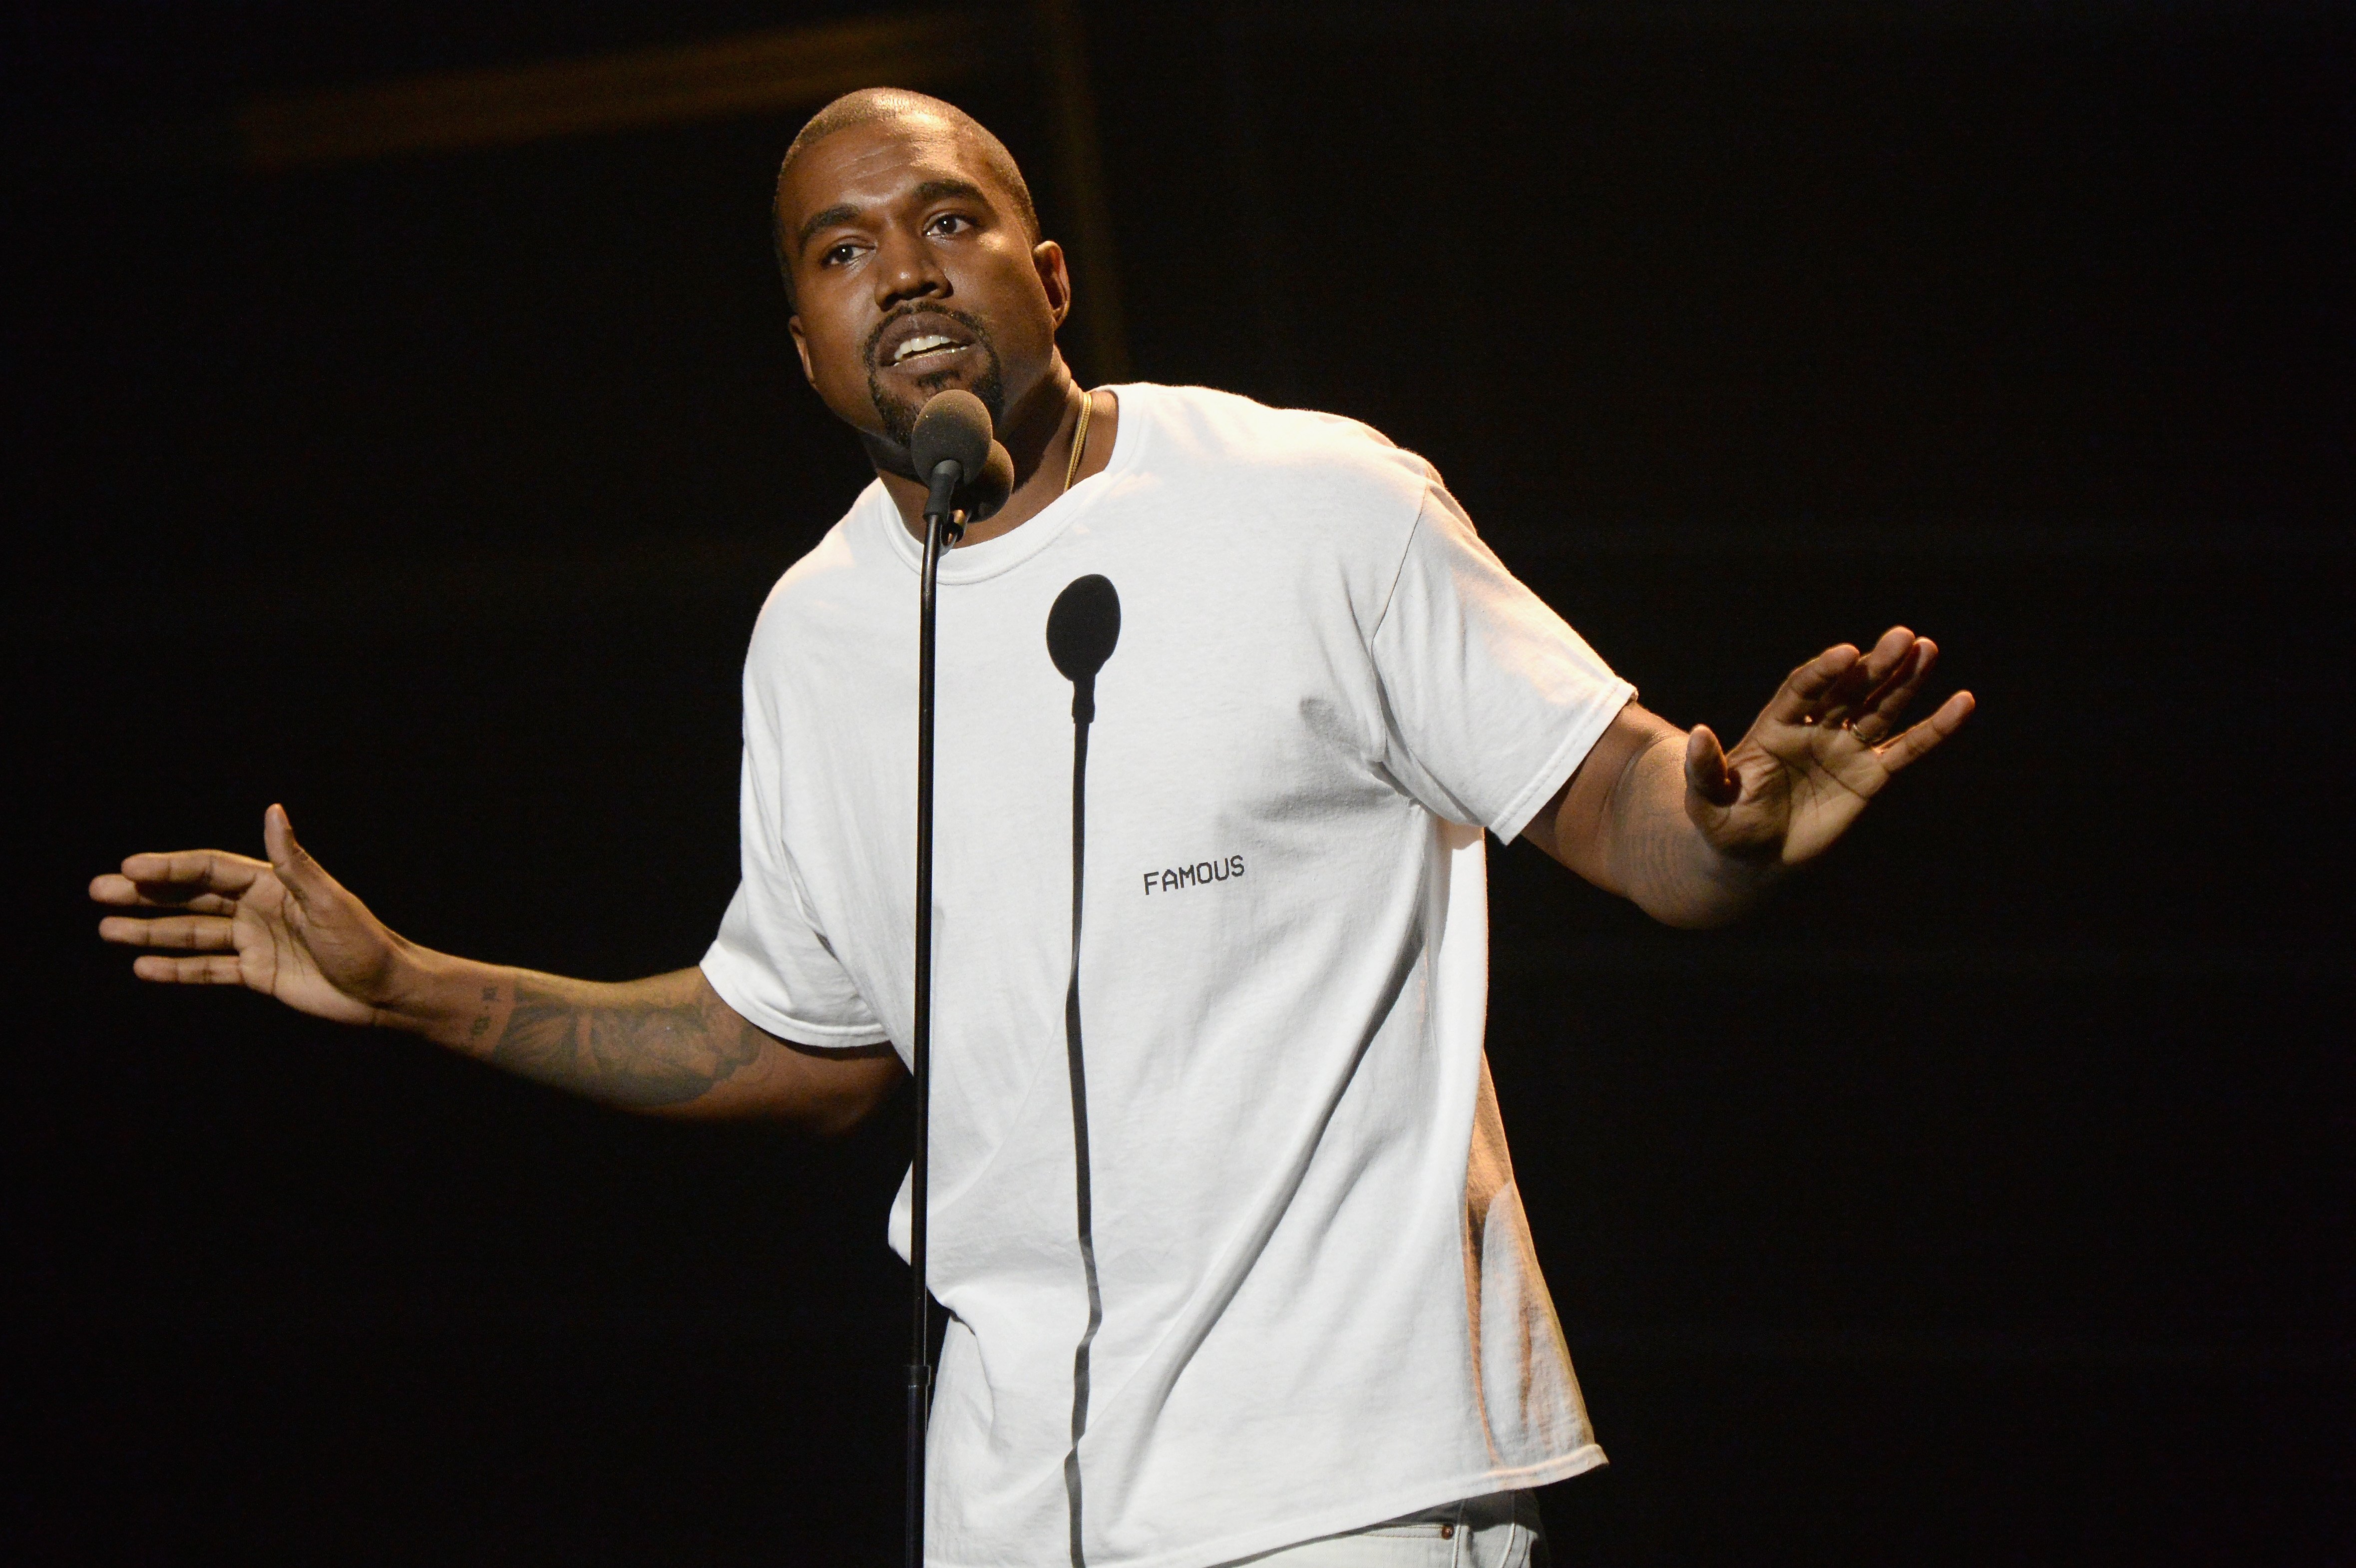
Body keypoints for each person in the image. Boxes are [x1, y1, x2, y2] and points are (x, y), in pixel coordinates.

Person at [90, 89, 1973, 1568]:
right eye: (841, 250)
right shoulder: (817, 634)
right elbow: (797, 1044)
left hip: (1349, 1482)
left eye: (948, 220)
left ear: (1051, 278)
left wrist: (1725, 833)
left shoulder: (1316, 501)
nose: (900, 268)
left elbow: (1626, 805)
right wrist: (416, 986)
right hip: (1004, 1510)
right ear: (806, 349)